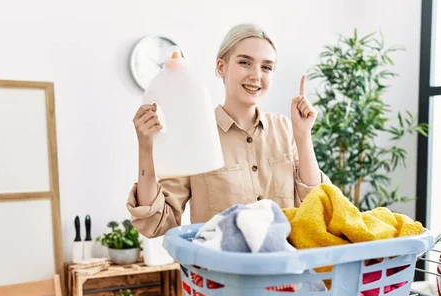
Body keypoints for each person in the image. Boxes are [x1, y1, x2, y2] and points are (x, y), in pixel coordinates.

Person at [127, 23, 330, 239]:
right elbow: (156, 223)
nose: (256, 75)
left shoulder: (284, 128)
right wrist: (146, 146)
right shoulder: (196, 134)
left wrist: (303, 136)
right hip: (221, 270)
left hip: (283, 269)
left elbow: (316, 207)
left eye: (266, 67)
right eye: (245, 62)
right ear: (221, 67)